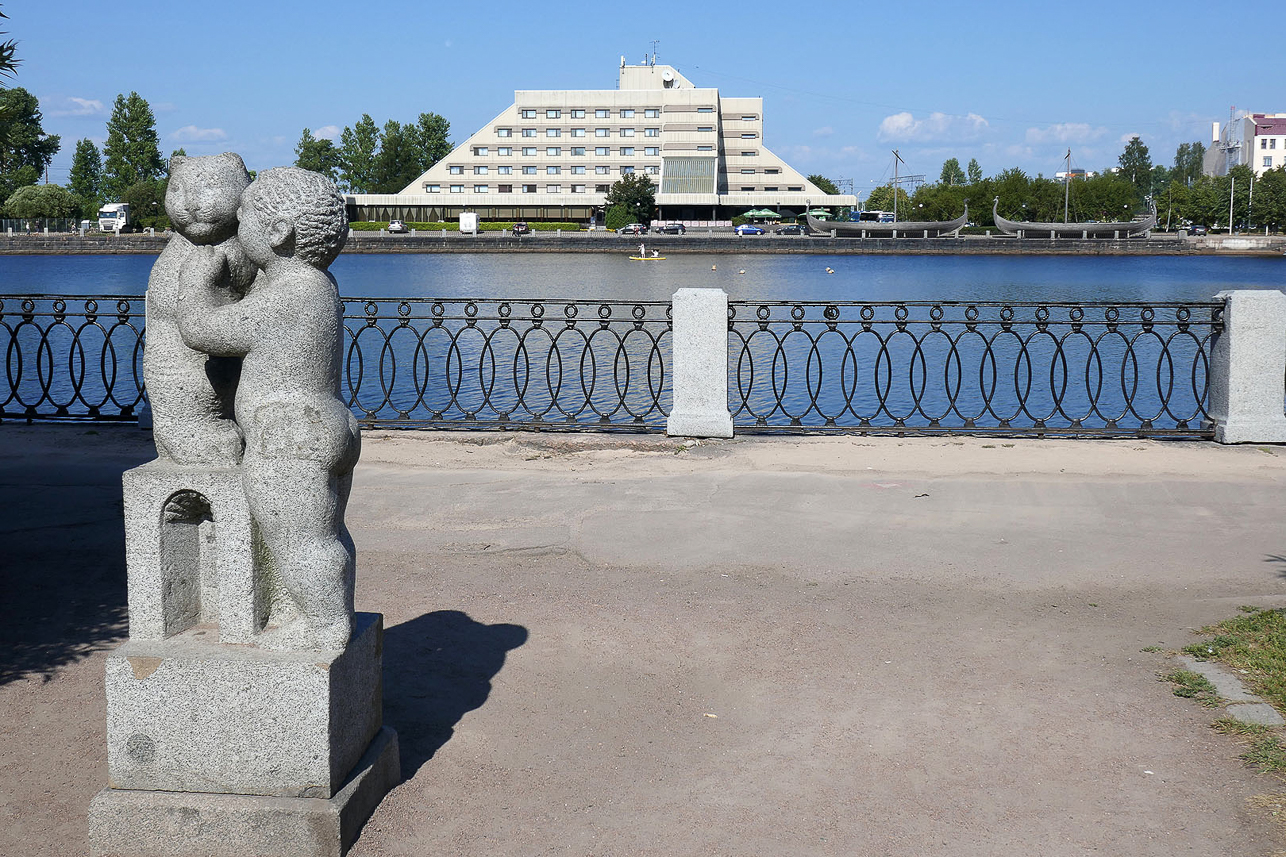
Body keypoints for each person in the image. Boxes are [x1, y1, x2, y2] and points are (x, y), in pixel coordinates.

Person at [176, 167, 358, 651]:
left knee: (300, 542)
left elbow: (202, 330)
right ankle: (330, 613)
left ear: (278, 232)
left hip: (287, 434)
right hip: (325, 424)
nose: (237, 228)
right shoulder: (320, 284)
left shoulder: (288, 291)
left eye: (245, 219)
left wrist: (195, 282)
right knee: (325, 533)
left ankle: (325, 627)